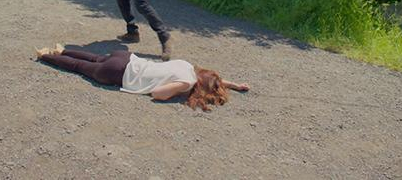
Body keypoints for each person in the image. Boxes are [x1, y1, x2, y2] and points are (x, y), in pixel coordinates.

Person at [35, 44, 250, 111]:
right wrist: (177, 90)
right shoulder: (187, 82)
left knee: (94, 57)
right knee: (79, 67)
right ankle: (45, 56)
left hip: (127, 58)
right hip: (119, 73)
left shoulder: (188, 66)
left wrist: (235, 85)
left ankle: (62, 50)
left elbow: (212, 79)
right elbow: (157, 94)